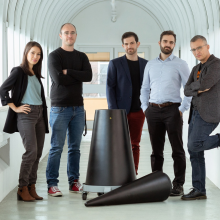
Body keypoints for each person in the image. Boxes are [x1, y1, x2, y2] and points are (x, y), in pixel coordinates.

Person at [140, 30, 192, 196]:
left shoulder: (181, 64)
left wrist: (182, 109)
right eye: (165, 41)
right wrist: (145, 108)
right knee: (156, 151)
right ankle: (156, 182)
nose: (168, 44)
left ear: (174, 44)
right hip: (153, 110)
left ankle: (178, 184)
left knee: (177, 149)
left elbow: (189, 89)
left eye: (171, 42)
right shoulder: (150, 64)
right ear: (159, 43)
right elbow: (145, 88)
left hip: (173, 110)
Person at [46, 23, 92, 197]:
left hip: (78, 109)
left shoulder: (81, 56)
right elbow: (58, 80)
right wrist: (75, 75)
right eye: (66, 33)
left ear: (76, 35)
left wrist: (69, 72)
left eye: (72, 33)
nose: (69, 36)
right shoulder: (54, 56)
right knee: (56, 147)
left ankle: (74, 181)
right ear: (60, 35)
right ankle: (52, 184)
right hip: (59, 108)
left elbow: (88, 76)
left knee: (75, 148)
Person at [0, 41, 49, 201]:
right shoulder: (19, 71)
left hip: (40, 114)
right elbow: (3, 89)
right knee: (31, 151)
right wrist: (15, 108)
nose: (35, 56)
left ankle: (31, 187)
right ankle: (22, 188)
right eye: (33, 53)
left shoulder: (35, 74)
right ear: (26, 53)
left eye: (38, 54)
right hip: (26, 114)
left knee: (38, 153)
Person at [182, 35, 220, 200]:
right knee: (193, 151)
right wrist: (197, 88)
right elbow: (186, 90)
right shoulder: (196, 68)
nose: (196, 52)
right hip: (195, 113)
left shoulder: (216, 65)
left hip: (210, 112)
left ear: (207, 46)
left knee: (194, 144)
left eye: (199, 48)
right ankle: (199, 189)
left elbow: (206, 84)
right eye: (193, 49)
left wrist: (196, 87)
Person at [106, 32, 148, 175]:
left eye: (132, 43)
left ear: (137, 44)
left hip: (139, 111)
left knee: (135, 145)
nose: (129, 46)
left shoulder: (146, 64)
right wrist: (114, 111)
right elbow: (110, 88)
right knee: (118, 145)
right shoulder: (115, 63)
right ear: (123, 45)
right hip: (120, 111)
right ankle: (117, 174)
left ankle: (132, 174)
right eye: (126, 44)